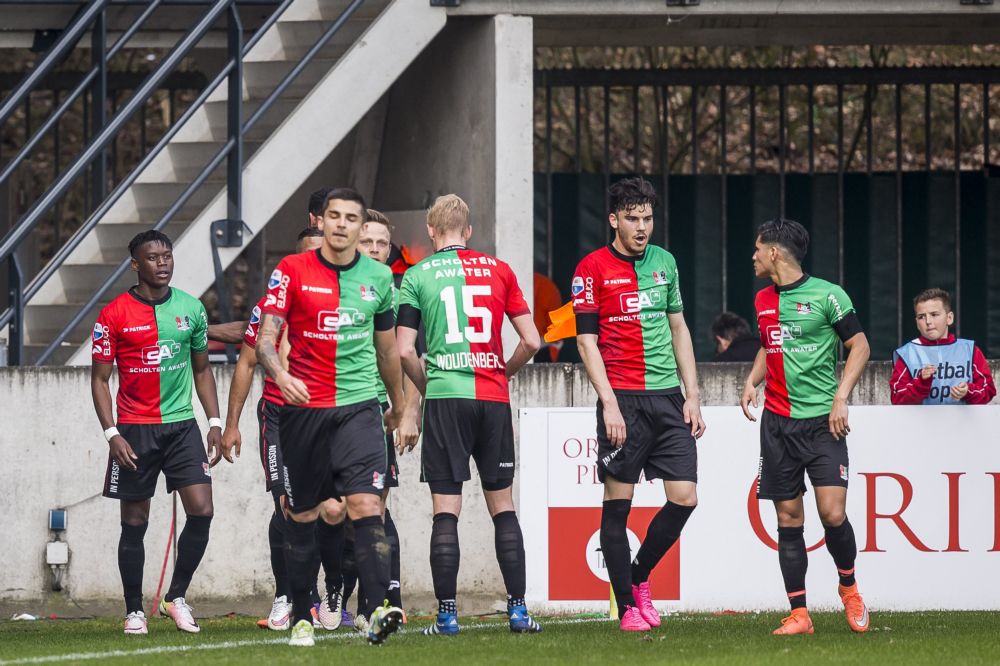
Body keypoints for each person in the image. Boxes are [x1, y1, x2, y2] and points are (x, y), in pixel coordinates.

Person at [256, 187, 405, 647]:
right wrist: (280, 375)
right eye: (333, 216)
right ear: (321, 221)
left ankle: (377, 608)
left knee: (366, 506)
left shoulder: (379, 278)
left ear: (363, 229)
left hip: (359, 408)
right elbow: (265, 339)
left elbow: (387, 351)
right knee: (300, 515)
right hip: (304, 410)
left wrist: (397, 405)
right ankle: (303, 612)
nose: (341, 224)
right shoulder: (291, 270)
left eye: (350, 218)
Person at [396, 194, 543, 636]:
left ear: (430, 230)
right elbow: (532, 341)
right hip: (493, 398)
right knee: (504, 507)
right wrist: (504, 372)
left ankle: (447, 616)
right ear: (469, 231)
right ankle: (518, 610)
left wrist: (429, 388)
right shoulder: (500, 270)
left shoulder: (417, 275)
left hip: (446, 398)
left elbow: (404, 349)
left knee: (447, 511)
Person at [572, 177, 704, 633]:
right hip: (622, 400)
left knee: (684, 498)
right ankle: (627, 605)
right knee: (618, 504)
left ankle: (639, 576)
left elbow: (680, 329)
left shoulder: (665, 262)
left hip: (668, 398)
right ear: (613, 220)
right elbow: (586, 342)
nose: (642, 226)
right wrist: (608, 404)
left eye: (647, 217)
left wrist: (693, 395)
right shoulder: (590, 268)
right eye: (632, 218)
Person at [215, 228, 351, 633]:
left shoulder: (348, 299)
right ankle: (289, 598)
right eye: (310, 253)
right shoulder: (270, 306)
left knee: (332, 508)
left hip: (328, 415)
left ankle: (331, 591)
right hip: (277, 416)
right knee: (286, 507)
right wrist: (232, 424)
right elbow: (245, 362)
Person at [739, 218, 871, 636]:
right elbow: (768, 342)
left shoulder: (829, 295)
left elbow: (860, 345)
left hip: (822, 424)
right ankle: (800, 614)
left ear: (775, 253)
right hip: (777, 426)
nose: (754, 255)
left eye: (758, 248)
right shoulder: (761, 299)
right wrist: (751, 379)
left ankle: (848, 587)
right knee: (788, 518)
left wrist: (841, 397)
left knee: (833, 514)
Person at [91, 230, 222, 636]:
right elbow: (99, 380)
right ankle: (134, 611)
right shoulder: (113, 314)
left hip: (182, 427)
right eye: (153, 257)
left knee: (202, 509)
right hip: (134, 430)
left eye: (167, 256)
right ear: (136, 263)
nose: (162, 263)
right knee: (134, 520)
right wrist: (112, 434)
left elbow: (202, 369)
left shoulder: (191, 308)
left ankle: (175, 596)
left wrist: (214, 422)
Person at [343, 209, 421, 619]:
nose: (375, 249)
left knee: (375, 507)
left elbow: (409, 356)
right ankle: (322, 596)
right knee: (330, 511)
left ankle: (377, 604)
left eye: (381, 243)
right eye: (367, 241)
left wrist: (407, 413)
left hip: (377, 415)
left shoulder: (397, 291)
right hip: (330, 410)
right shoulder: (333, 283)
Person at [890, 288, 996, 405]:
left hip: (962, 423)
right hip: (921, 423)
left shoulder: (969, 349)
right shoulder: (907, 353)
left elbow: (989, 390)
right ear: (917, 323)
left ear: (949, 318)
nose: (928, 321)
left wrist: (968, 391)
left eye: (934, 314)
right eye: (921, 317)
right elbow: (897, 398)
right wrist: (921, 382)